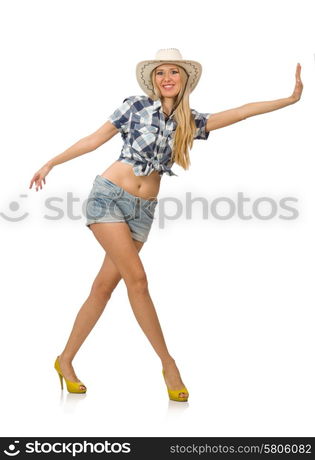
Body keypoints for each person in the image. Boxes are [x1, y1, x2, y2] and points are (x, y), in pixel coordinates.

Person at [29, 48, 303, 401]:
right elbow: (94, 139)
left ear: (184, 79)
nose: (167, 78)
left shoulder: (191, 121)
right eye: (160, 73)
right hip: (109, 197)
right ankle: (169, 364)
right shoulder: (134, 106)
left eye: (174, 72)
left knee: (102, 288)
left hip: (143, 210)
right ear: (153, 81)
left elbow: (242, 112)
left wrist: (290, 98)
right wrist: (52, 162)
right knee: (138, 281)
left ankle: (64, 361)